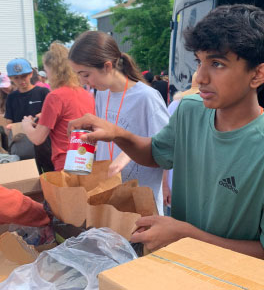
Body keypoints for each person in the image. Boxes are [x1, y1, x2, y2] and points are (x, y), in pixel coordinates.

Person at [68, 4, 264, 266]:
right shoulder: (189, 112)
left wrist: (187, 235)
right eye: (199, 61)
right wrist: (117, 134)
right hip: (177, 269)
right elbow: (156, 154)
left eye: (217, 63)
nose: (200, 76)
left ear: (258, 74)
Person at [68, 31, 169, 215]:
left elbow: (166, 148)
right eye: (79, 75)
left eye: (85, 74)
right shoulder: (103, 93)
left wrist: (129, 152)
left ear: (107, 66)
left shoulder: (146, 98)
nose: (83, 82)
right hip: (111, 199)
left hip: (142, 202)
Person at [22, 42, 95, 171]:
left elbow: (38, 138)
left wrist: (26, 125)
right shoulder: (85, 94)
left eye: (46, 70)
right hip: (86, 158)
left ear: (52, 70)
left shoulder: (55, 96)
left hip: (65, 161)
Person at [5, 58, 53, 172]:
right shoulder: (11, 97)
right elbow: (9, 122)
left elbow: (53, 114)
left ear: (31, 74)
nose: (21, 80)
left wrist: (41, 115)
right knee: (28, 175)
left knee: (50, 174)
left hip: (45, 142)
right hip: (23, 144)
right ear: (11, 78)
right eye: (16, 77)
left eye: (24, 76)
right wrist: (10, 130)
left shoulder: (43, 92)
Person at [162, 72, 199, 212]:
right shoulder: (176, 106)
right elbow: (165, 146)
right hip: (176, 186)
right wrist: (164, 185)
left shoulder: (218, 111)